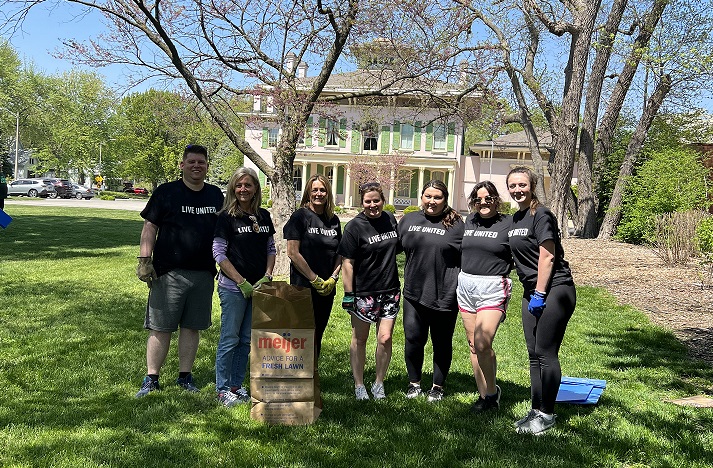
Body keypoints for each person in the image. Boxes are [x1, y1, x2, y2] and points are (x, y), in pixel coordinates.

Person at [135, 144, 224, 398]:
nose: (197, 166)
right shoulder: (166, 192)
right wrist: (144, 259)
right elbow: (150, 226)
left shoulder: (216, 195)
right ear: (182, 165)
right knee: (161, 327)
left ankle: (185, 376)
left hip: (204, 273)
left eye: (202, 162)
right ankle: (151, 378)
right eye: (192, 162)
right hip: (168, 272)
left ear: (207, 166)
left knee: (192, 327)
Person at [506, 166, 576, 435]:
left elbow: (547, 256)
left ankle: (547, 414)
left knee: (546, 353)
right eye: (513, 186)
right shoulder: (517, 218)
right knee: (533, 353)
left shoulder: (541, 214)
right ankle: (536, 410)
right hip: (531, 290)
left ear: (532, 185)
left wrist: (539, 293)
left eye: (522, 185)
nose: (517, 190)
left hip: (554, 289)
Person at [213, 167, 276, 407]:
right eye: (239, 185)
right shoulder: (225, 217)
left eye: (248, 185)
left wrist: (268, 275)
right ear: (232, 188)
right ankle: (221, 389)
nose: (243, 189)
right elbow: (218, 254)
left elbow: (271, 249)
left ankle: (235, 386)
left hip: (258, 288)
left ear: (255, 189)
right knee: (229, 338)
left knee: (245, 339)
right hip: (233, 288)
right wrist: (241, 282)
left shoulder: (264, 216)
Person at [398, 180, 464, 402]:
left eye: (437, 197)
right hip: (414, 293)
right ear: (421, 197)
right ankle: (414, 383)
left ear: (445, 199)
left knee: (441, 342)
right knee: (413, 339)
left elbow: (470, 255)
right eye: (428, 196)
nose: (432, 201)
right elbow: (391, 248)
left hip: (445, 293)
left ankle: (437, 386)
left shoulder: (456, 225)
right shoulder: (409, 220)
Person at [338, 182, 401, 400]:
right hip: (364, 292)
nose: (373, 205)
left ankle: (379, 383)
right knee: (360, 339)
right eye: (368, 201)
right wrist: (349, 294)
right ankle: (359, 385)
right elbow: (347, 262)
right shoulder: (354, 227)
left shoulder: (390, 219)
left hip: (390, 289)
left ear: (383, 200)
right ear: (361, 202)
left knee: (385, 338)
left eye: (376, 200)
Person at [457, 181, 513, 412]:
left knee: (482, 342)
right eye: (478, 199)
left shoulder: (508, 224)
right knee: (473, 345)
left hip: (493, 286)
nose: (483, 203)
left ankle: (492, 392)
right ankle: (484, 397)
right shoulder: (469, 221)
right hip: (467, 285)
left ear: (496, 200)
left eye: (488, 198)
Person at [284, 174, 342, 359]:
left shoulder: (333, 220)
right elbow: (292, 252)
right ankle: (296, 375)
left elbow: (340, 252)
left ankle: (312, 375)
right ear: (308, 191)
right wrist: (314, 278)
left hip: (326, 289)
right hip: (303, 286)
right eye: (315, 189)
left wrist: (333, 277)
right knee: (301, 333)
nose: (319, 193)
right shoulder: (300, 216)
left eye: (322, 190)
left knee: (318, 332)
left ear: (328, 193)